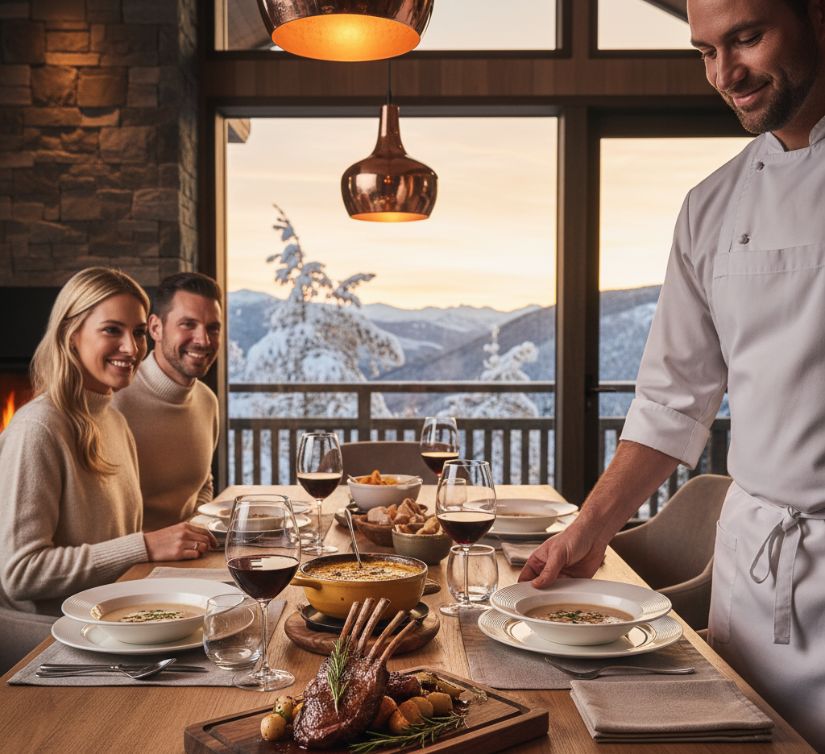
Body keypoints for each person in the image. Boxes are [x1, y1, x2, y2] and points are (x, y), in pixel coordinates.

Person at [520, 0, 825, 748]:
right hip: (756, 567)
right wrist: (587, 531)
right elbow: (670, 398)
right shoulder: (710, 205)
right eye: (704, 51)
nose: (725, 73)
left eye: (746, 38)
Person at [0, 268, 213, 616]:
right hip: (52, 632)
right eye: (112, 330)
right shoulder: (38, 427)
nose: (132, 348)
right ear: (72, 335)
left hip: (114, 612)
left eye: (139, 332)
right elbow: (21, 574)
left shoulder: (112, 418)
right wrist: (143, 546)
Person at [112, 272, 222, 531]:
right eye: (188, 324)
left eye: (213, 328)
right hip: (130, 565)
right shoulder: (114, 400)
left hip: (184, 559)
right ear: (155, 328)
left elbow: (203, 484)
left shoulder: (207, 400)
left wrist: (193, 531)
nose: (203, 340)